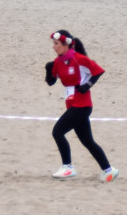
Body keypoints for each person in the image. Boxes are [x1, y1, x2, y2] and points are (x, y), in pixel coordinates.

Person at [43, 30, 118, 183]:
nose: (53, 47)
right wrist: (48, 70)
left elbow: (98, 71)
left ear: (66, 44)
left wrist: (87, 85)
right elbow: (51, 82)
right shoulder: (58, 62)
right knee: (87, 141)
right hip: (72, 104)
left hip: (82, 105)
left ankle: (67, 166)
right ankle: (109, 170)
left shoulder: (79, 59)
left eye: (56, 44)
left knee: (57, 132)